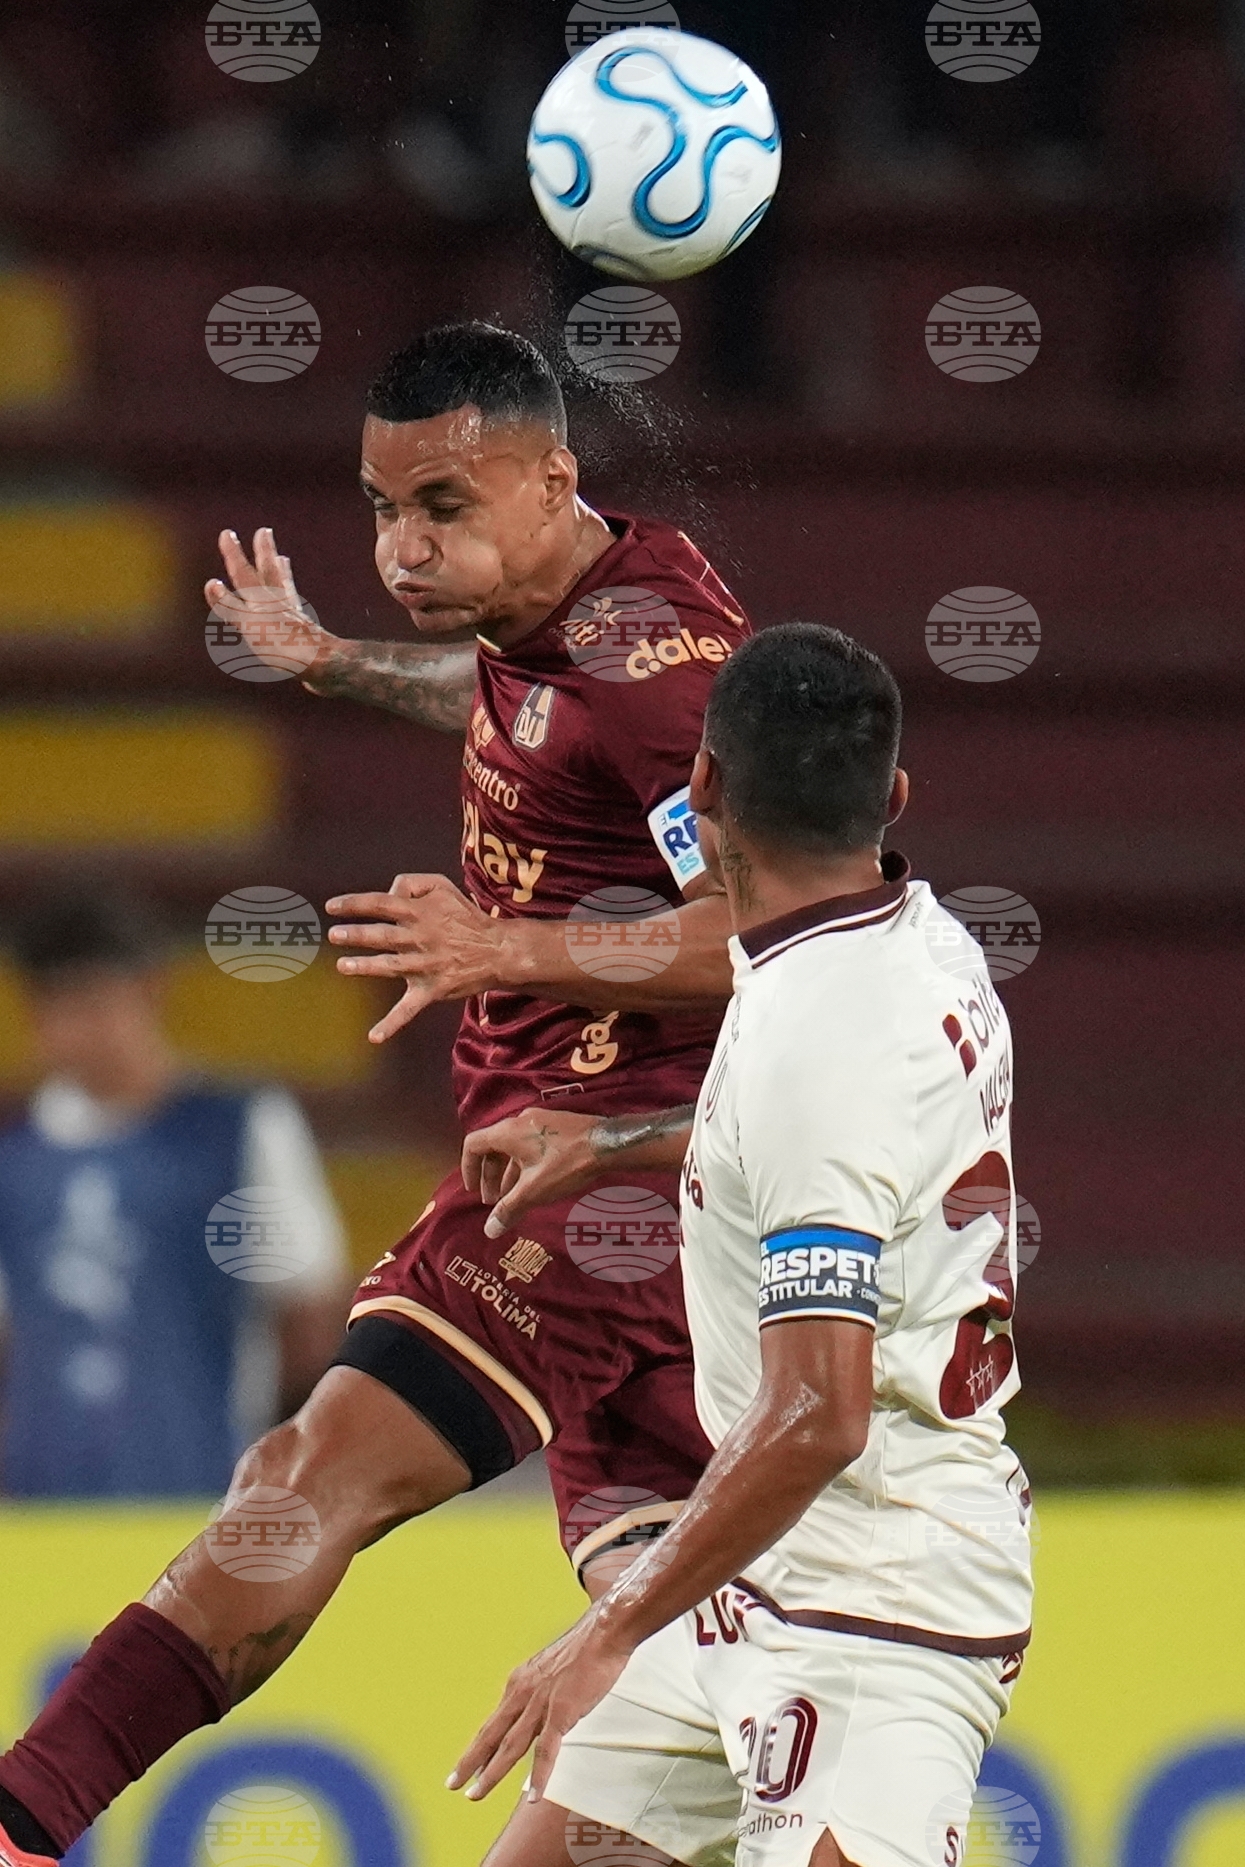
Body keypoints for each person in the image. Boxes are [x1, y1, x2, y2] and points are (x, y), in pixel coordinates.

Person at [0, 322, 748, 1864]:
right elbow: (516, 716)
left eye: (444, 510)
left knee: (301, 1474)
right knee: (677, 1710)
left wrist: (509, 942)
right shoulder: (566, 622)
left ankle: (25, 1811)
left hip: (604, 1189)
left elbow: (790, 932)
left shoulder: (658, 674)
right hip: (634, 1210)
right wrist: (333, 660)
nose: (403, 548)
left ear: (554, 478)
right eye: (381, 507)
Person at [451, 625, 1033, 1867]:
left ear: (703, 787)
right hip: (752, 1571)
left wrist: (603, 1630)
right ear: (893, 800)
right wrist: (608, 1143)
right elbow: (817, 1154)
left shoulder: (822, 1037)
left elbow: (818, 1415)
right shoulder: (915, 936)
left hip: (877, 1598)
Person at [0, 889, 348, 1500]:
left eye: (95, 1002)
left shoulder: (239, 1128)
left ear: (149, 989)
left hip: (203, 1482)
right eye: (56, 1007)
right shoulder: (16, 1157)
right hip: (35, 1495)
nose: (77, 1031)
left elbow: (308, 1316)